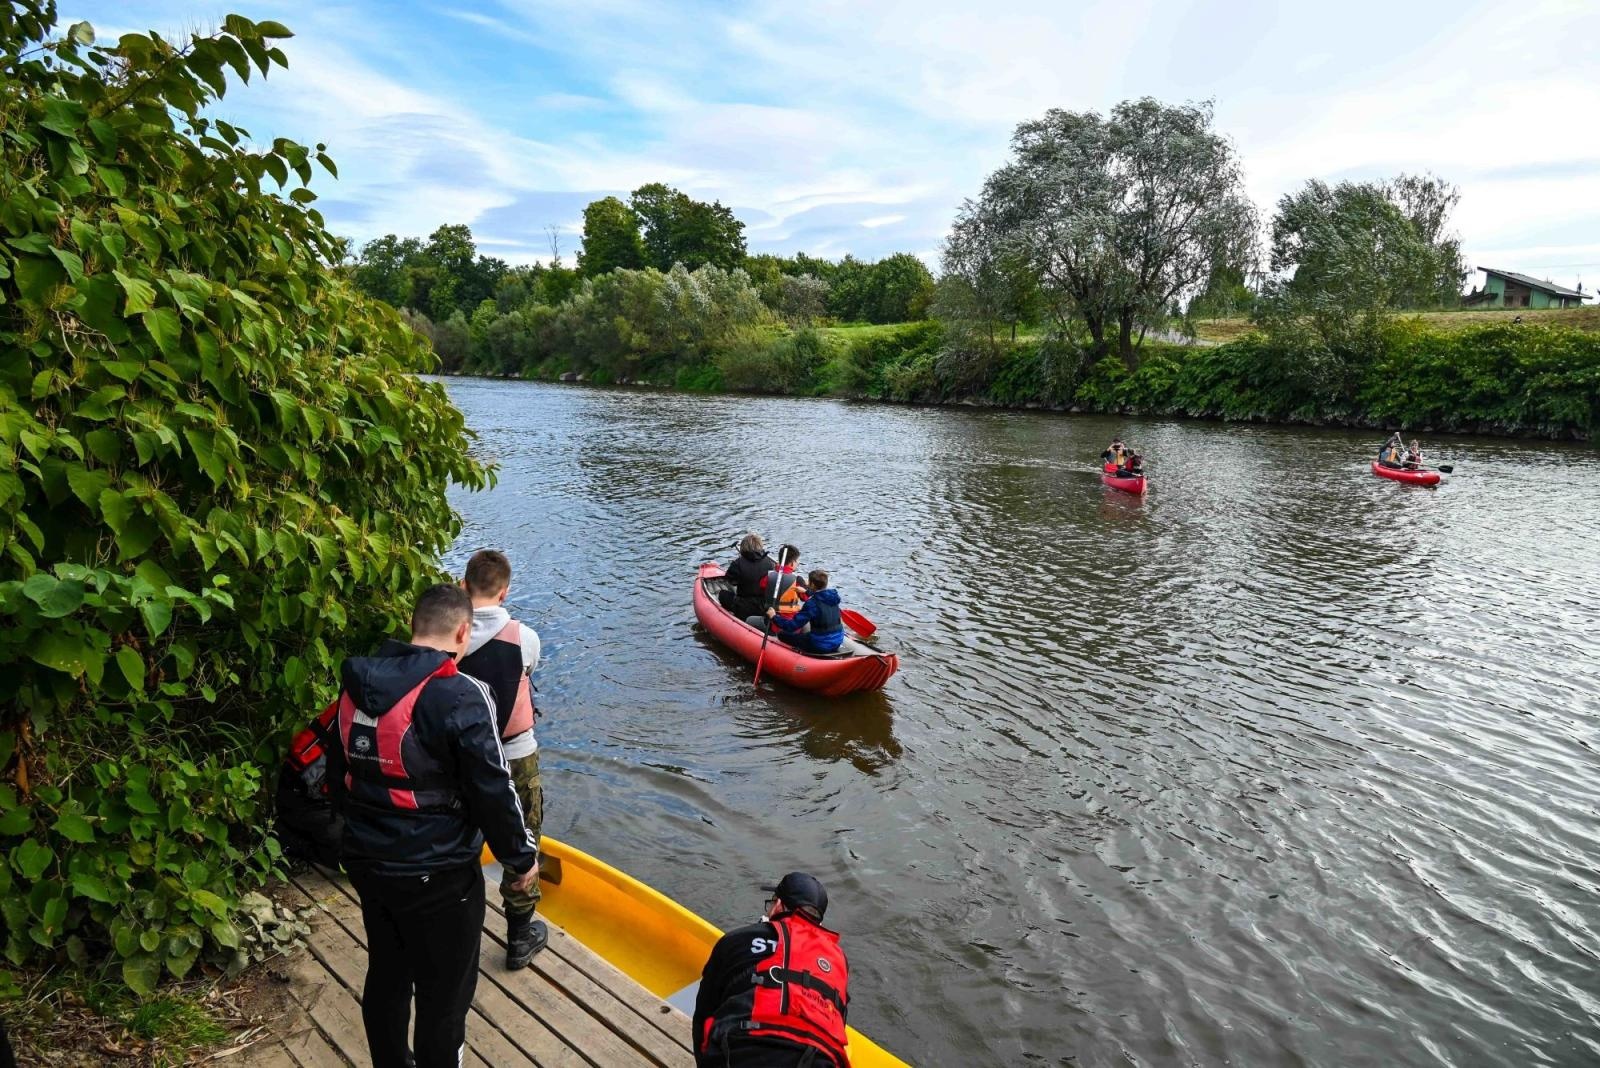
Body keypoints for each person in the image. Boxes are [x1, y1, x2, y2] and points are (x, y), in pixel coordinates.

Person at [326, 584, 539, 1068]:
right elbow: (493, 787)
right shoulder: (461, 693)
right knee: (445, 997)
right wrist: (520, 857)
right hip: (439, 875)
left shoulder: (356, 684)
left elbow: (339, 773)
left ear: (412, 625)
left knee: (387, 972)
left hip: (367, 861)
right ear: (462, 632)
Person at [456, 549, 547, 968]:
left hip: (458, 758)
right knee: (524, 837)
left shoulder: (446, 636)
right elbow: (527, 671)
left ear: (463, 586)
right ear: (505, 591)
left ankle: (457, 922)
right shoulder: (524, 638)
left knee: (459, 837)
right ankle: (518, 938)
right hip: (513, 754)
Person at [693, 872, 850, 1068]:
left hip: (744, 1050)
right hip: (820, 1060)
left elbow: (703, 1012)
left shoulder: (738, 939)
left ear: (777, 905)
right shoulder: (839, 961)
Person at [274, 698, 344, 867]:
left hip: (334, 798)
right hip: (305, 798)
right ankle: (286, 840)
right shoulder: (361, 713)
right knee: (359, 853)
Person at [766, 570, 845, 655]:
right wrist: (806, 592)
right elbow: (820, 595)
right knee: (808, 633)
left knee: (782, 634)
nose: (807, 584)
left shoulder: (812, 604)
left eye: (809, 582)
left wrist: (774, 617)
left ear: (812, 584)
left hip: (820, 645)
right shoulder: (833, 597)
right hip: (838, 640)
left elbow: (792, 626)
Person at [745, 545, 806, 631]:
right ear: (792, 563)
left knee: (749, 620)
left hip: (771, 622)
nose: (798, 563)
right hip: (791, 624)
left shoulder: (768, 577)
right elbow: (805, 598)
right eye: (797, 561)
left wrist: (776, 570)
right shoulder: (798, 580)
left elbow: (762, 588)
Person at [719, 533, 778, 620]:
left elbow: (730, 580)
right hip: (764, 607)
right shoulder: (770, 563)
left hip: (744, 607)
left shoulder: (738, 563)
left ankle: (733, 615)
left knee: (722, 594)